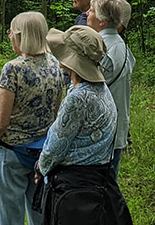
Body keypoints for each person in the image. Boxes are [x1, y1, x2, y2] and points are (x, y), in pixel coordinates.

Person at [36, 26, 131, 225]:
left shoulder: (79, 98)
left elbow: (56, 145)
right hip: (98, 183)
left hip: (75, 189)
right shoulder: (100, 88)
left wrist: (41, 167)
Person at [0, 12, 67, 225]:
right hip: (42, 152)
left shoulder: (13, 69)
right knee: (39, 211)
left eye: (11, 32)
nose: (9, 36)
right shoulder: (56, 65)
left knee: (10, 216)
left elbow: (1, 121)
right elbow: (55, 113)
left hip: (11, 153)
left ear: (20, 36)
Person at [87, 0, 135, 176]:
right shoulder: (120, 44)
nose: (87, 15)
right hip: (115, 127)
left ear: (102, 22)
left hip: (101, 129)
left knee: (101, 185)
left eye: (91, 11)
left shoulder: (100, 46)